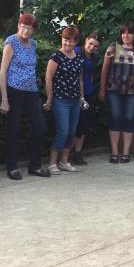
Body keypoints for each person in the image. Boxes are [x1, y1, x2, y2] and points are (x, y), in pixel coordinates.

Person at [0, 13, 50, 180]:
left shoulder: (33, 44)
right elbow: (2, 72)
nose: (26, 30)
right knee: (13, 129)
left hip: (31, 91)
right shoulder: (11, 42)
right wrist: (4, 99)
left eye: (29, 28)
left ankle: (34, 166)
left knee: (39, 126)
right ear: (18, 25)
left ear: (34, 30)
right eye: (23, 26)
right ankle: (12, 168)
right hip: (14, 90)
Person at [99, 22, 134, 163]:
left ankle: (126, 152)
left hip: (133, 92)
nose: (126, 35)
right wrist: (102, 89)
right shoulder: (113, 48)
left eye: (129, 32)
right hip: (114, 90)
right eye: (123, 32)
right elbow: (104, 70)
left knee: (129, 118)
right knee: (115, 117)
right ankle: (114, 151)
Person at [44, 26, 86, 174]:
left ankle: (64, 161)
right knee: (62, 131)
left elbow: (80, 79)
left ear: (76, 42)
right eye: (65, 40)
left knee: (71, 132)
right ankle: (52, 163)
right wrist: (50, 98)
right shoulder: (56, 56)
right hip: (60, 99)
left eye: (71, 41)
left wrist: (82, 97)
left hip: (75, 100)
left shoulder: (79, 58)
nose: (67, 44)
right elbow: (48, 78)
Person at [71, 31, 102, 165]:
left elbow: (90, 75)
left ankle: (77, 153)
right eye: (90, 44)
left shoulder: (94, 58)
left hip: (88, 94)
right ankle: (64, 155)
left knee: (83, 125)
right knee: (71, 125)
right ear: (86, 40)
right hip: (73, 92)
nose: (92, 48)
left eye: (95, 46)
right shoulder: (75, 51)